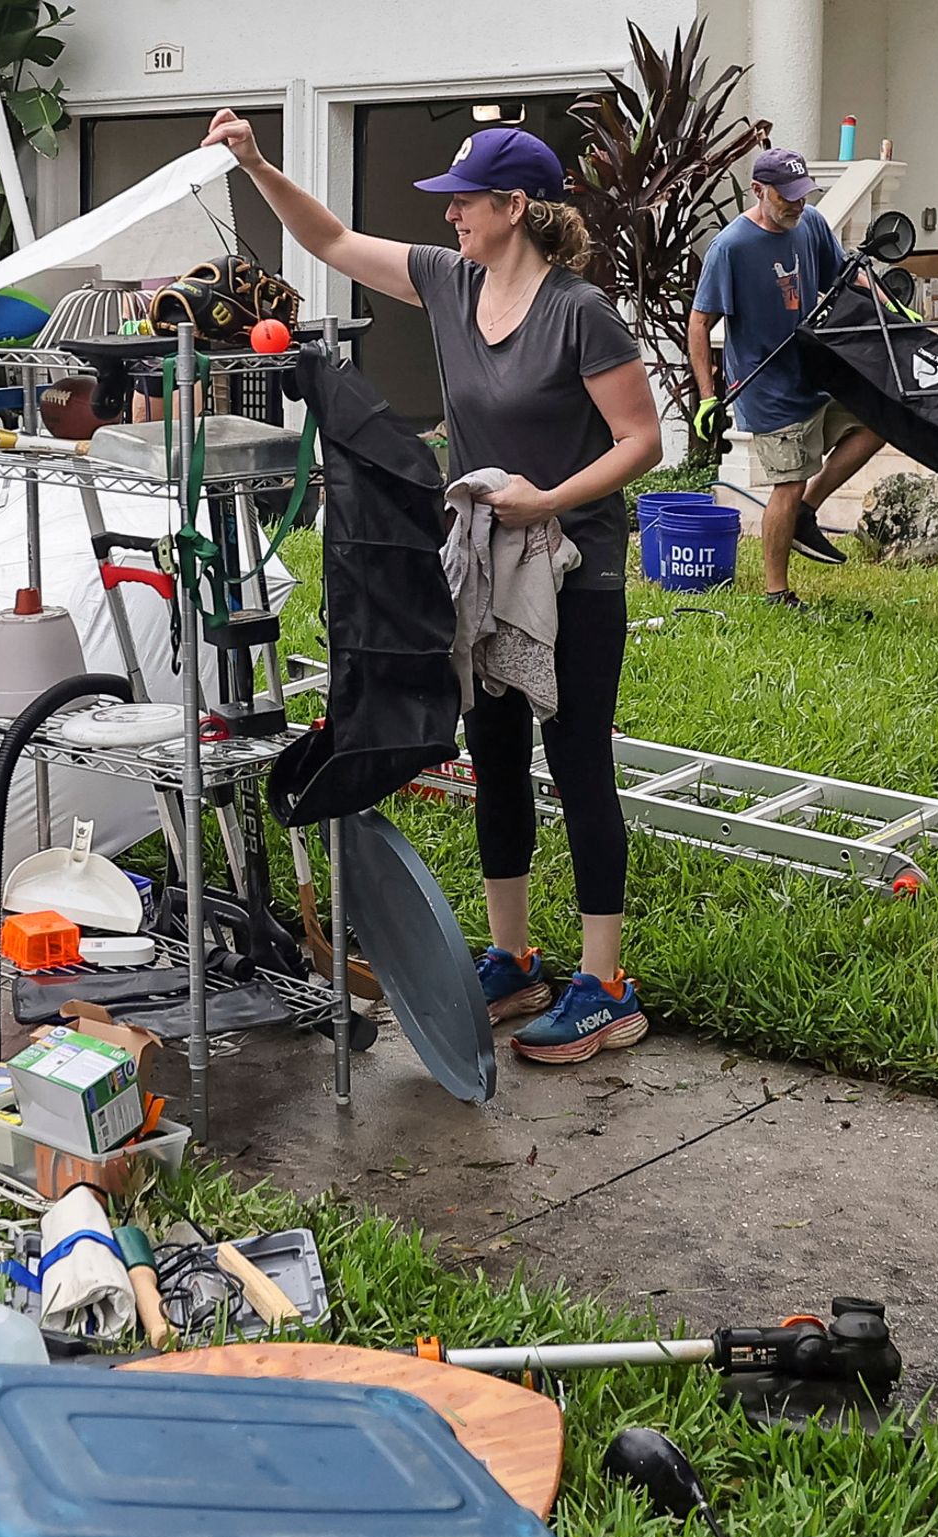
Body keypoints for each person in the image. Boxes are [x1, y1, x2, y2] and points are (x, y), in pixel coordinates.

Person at [205, 110, 663, 1062]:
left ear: (514, 205)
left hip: (576, 565)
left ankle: (605, 984)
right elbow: (327, 239)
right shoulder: (448, 283)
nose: (451, 215)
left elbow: (643, 441)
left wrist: (550, 502)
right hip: (486, 557)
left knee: (577, 765)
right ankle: (512, 957)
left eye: (464, 201)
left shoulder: (580, 311)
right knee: (494, 755)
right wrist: (254, 164)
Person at [687, 149, 884, 607]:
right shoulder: (731, 248)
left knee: (876, 420)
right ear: (758, 191)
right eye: (786, 196)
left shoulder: (810, 223)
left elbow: (846, 276)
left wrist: (891, 310)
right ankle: (777, 591)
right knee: (788, 481)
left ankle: (805, 513)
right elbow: (700, 322)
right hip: (766, 385)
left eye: (801, 195)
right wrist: (706, 397)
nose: (796, 204)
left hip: (815, 368)